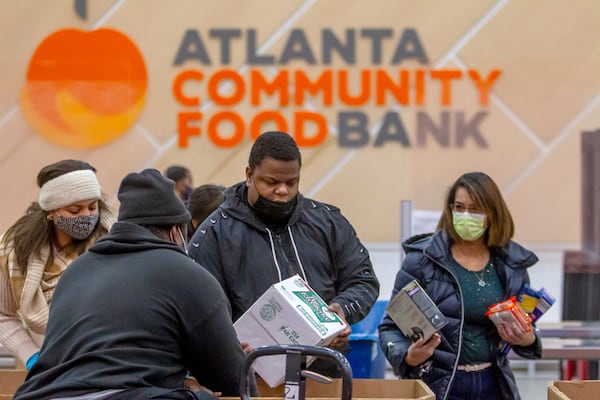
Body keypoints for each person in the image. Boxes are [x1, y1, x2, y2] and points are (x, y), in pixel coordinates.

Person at [14, 169, 252, 400]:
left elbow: (105, 362)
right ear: (176, 232)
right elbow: (231, 380)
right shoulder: (189, 275)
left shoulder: (75, 272)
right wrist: (238, 361)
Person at [188, 131, 380, 375]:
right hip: (248, 377)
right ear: (249, 175)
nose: (282, 191)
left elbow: (362, 279)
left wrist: (342, 310)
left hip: (323, 373)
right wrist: (229, 346)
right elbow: (199, 310)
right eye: (271, 182)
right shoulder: (214, 235)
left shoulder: (329, 223)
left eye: (291, 183)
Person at [378, 172, 542, 400]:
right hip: (440, 385)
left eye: (475, 209)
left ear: (493, 213)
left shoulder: (511, 264)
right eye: (459, 207)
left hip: (494, 384)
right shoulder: (423, 260)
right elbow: (390, 328)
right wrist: (407, 356)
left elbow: (525, 323)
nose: (465, 216)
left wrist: (528, 339)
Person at [0, 159, 113, 370]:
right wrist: (32, 356)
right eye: (74, 210)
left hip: (107, 363)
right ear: (51, 212)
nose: (86, 216)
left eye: (92, 206)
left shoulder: (112, 243)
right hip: (48, 367)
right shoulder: (14, 249)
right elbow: (3, 314)